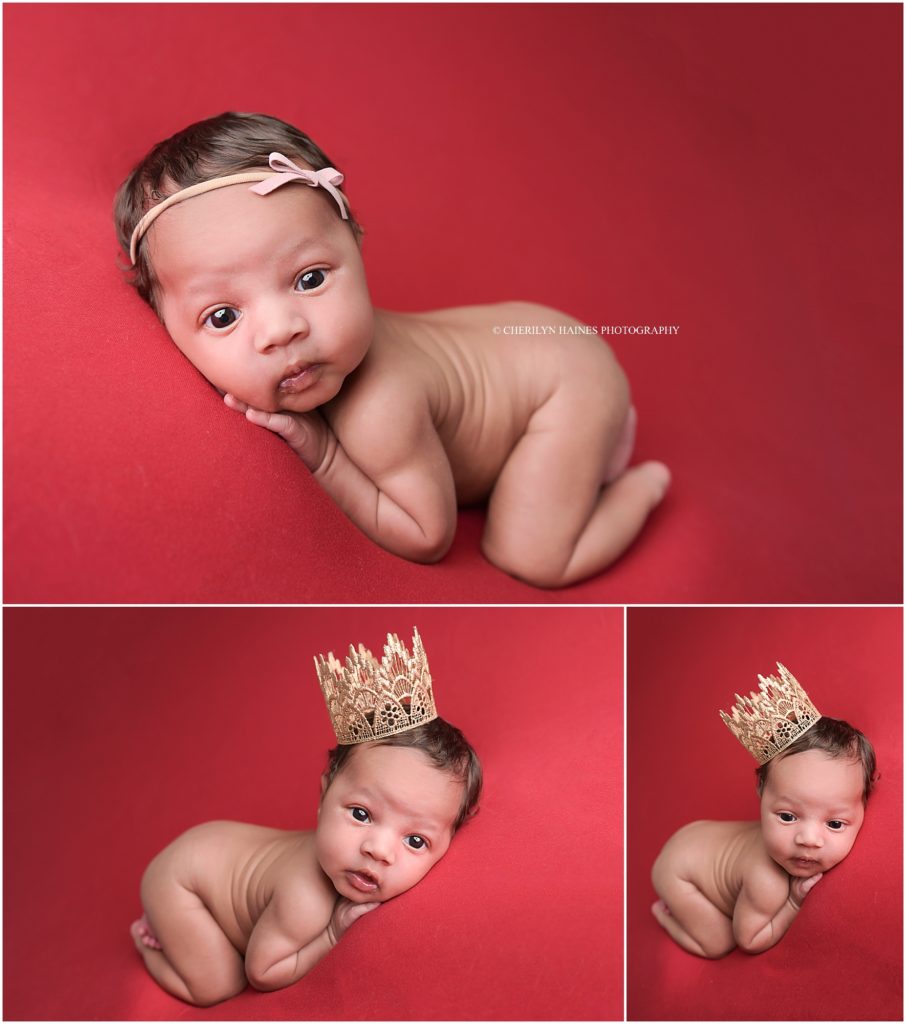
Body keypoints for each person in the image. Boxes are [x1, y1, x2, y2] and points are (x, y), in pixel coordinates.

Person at [114, 112, 670, 588]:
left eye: (309, 279)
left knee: (529, 556)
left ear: (355, 242)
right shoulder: (328, 347)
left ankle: (638, 484)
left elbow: (428, 536)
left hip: (566, 384)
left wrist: (325, 455)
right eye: (223, 316)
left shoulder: (379, 405)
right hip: (529, 339)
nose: (281, 330)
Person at [130, 629, 482, 1006]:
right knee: (219, 984)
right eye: (361, 814)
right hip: (182, 883)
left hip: (214, 850)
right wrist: (332, 934)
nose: (378, 850)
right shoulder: (306, 899)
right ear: (323, 795)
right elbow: (262, 972)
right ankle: (146, 939)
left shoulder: (342, 857)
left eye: (415, 840)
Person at [651, 665, 875, 958]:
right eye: (787, 817)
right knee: (718, 943)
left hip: (698, 837)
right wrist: (793, 903)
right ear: (761, 792)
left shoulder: (786, 842)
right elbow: (749, 939)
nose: (808, 839)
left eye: (834, 823)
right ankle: (662, 913)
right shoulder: (768, 881)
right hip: (679, 873)